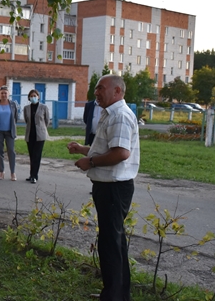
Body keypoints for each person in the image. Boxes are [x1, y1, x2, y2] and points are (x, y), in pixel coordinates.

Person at [67, 75, 140, 301]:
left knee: (111, 246)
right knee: (114, 244)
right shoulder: (111, 114)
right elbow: (107, 148)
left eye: (100, 88)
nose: (96, 92)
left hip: (114, 190)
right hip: (109, 189)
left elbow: (120, 153)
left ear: (117, 91)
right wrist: (82, 150)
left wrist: (90, 162)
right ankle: (115, 294)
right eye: (96, 88)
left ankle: (113, 297)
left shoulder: (119, 116)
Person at [23, 89, 50, 184]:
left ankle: (34, 176)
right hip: (30, 134)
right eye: (31, 96)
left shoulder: (44, 107)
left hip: (40, 135)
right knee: (31, 156)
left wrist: (42, 129)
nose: (33, 97)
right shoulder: (26, 108)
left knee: (36, 156)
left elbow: (47, 121)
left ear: (38, 96)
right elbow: (26, 120)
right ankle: (32, 174)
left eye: (35, 96)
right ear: (29, 98)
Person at [0, 85, 18, 181]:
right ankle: (1, 171)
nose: (4, 95)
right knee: (0, 152)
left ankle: (13, 172)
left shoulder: (13, 104)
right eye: (2, 93)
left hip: (9, 131)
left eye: (5, 93)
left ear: (8, 94)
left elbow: (15, 117)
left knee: (11, 151)